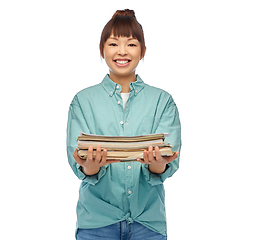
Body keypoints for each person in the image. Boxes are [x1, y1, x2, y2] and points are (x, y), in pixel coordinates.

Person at [66, 9, 181, 240]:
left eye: (131, 44)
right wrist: (91, 166)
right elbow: (80, 166)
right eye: (113, 44)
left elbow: (167, 164)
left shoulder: (163, 101)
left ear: (143, 50)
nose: (121, 52)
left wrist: (157, 164)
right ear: (102, 50)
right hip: (96, 223)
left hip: (147, 224)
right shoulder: (82, 101)